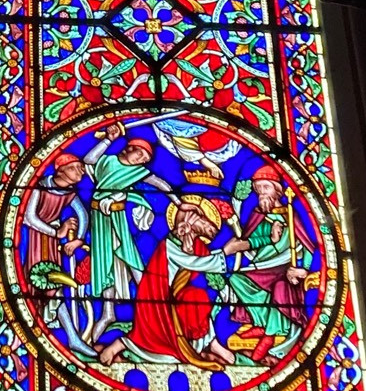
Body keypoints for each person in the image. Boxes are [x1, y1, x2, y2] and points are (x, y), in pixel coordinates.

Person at [80, 122, 174, 351]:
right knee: (105, 266)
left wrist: (178, 202)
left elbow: (160, 184)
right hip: (100, 221)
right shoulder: (108, 161)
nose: (140, 160)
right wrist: (108, 139)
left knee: (130, 258)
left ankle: (154, 312)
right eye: (139, 153)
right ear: (128, 148)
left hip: (119, 219)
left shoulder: (138, 172)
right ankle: (107, 315)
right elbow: (89, 160)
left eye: (144, 159)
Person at [130, 193, 250, 367]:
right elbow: (197, 263)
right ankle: (206, 345)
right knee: (194, 298)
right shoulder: (170, 246)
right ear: (188, 223)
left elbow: (202, 260)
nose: (209, 223)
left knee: (195, 296)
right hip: (156, 306)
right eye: (202, 218)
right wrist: (226, 251)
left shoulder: (192, 245)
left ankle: (209, 343)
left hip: (174, 298)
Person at [225, 164, 311, 360]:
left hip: (286, 269)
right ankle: (261, 323)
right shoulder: (258, 213)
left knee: (281, 288)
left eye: (266, 187)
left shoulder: (290, 214)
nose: (261, 192)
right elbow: (252, 241)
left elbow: (307, 245)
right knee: (237, 279)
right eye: (258, 188)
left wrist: (302, 269)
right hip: (262, 266)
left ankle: (269, 336)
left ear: (277, 190)